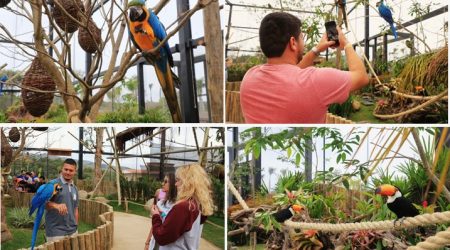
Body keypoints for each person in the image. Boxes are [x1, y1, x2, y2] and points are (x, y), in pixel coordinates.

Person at [240, 12, 369, 123]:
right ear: (292, 42)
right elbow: (361, 77)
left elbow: (290, 73)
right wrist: (346, 44)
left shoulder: (250, 77)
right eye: (302, 37)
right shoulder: (316, 80)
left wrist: (317, 49)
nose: (304, 42)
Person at [150, 164, 214, 249]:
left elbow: (162, 237)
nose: (175, 184)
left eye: (178, 180)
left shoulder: (184, 207)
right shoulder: (195, 204)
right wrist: (163, 215)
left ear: (188, 182)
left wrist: (156, 216)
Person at [45, 158, 79, 242]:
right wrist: (55, 205)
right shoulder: (53, 184)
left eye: (71, 170)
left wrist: (76, 225)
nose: (68, 172)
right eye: (66, 169)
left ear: (75, 172)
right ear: (62, 169)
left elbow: (75, 209)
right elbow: (44, 204)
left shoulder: (75, 188)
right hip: (56, 232)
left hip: (72, 231)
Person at [145, 173, 177, 250]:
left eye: (166, 181)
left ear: (173, 184)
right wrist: (147, 242)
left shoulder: (178, 206)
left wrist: (161, 214)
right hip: (155, 241)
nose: (162, 184)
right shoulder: (160, 200)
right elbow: (154, 224)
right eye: (163, 181)